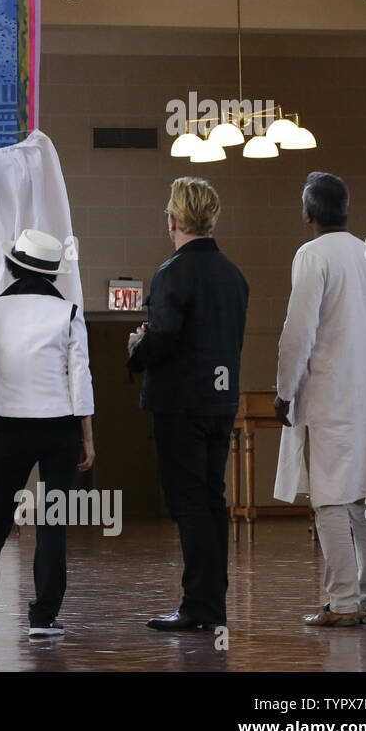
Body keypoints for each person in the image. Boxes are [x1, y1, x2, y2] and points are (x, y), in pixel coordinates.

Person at [274, 172, 366, 627]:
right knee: (365, 496)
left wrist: (284, 390)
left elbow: (298, 333)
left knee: (328, 496)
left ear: (307, 213)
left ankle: (343, 603)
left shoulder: (312, 255)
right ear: (345, 209)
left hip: (333, 395)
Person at [0, 230, 95, 640]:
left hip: (11, 425)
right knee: (53, 522)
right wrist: (88, 436)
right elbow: (80, 379)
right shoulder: (68, 311)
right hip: (60, 426)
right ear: (53, 273)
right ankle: (44, 618)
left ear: (13, 265)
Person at [128, 177, 248, 632]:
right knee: (213, 501)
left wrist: (138, 346)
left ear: (173, 219)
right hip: (222, 403)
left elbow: (163, 343)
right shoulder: (235, 276)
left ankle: (200, 606)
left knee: (190, 505)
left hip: (181, 405)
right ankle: (213, 601)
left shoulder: (172, 273)